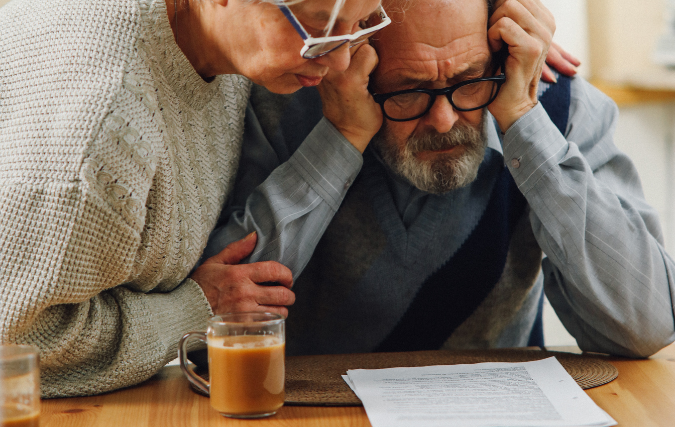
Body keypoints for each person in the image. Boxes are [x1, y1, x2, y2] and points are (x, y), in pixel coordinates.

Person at [198, 0, 675, 359]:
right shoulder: (281, 103)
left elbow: (645, 325)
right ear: (354, 58)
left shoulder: (553, 105)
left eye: (468, 80)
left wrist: (525, 124)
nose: (445, 120)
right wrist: (340, 140)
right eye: (408, 91)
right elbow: (215, 320)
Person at [0, 0, 395, 397]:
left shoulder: (223, 47)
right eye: (319, 24)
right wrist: (195, 309)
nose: (343, 61)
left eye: (360, 25)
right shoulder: (104, 131)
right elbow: (18, 343)